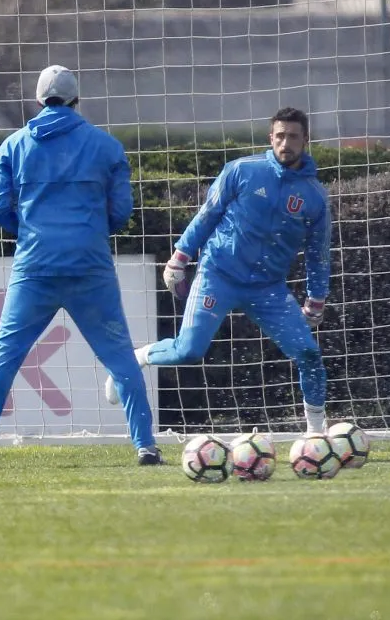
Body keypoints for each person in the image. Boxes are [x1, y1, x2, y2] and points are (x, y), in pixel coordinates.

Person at [0, 65, 160, 468]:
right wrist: (90, 236)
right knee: (120, 356)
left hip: (35, 268)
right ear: (76, 100)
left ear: (38, 101)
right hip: (90, 268)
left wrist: (31, 235)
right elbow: (122, 211)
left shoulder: (13, 145)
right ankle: (145, 446)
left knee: (5, 355)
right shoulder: (106, 147)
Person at [104, 107, 332, 434]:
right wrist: (179, 257)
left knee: (308, 353)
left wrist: (316, 298)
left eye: (293, 136)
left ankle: (316, 433)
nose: (286, 143)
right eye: (280, 136)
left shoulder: (315, 198)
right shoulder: (242, 171)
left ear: (305, 140)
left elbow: (318, 253)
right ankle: (136, 357)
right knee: (189, 350)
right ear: (270, 138)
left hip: (268, 288)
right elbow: (207, 215)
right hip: (218, 275)